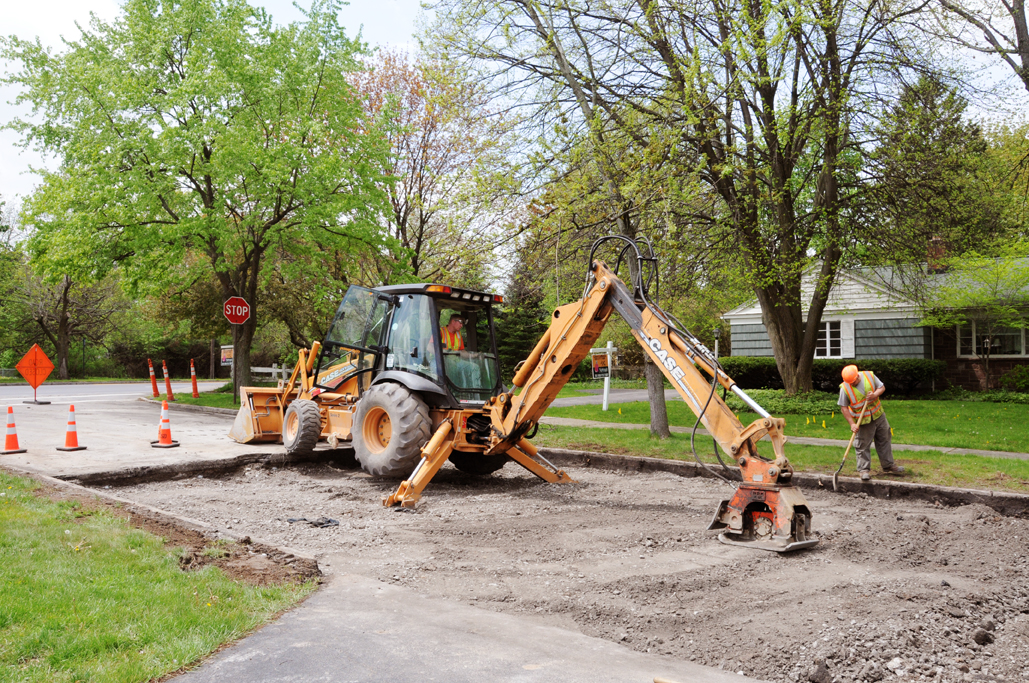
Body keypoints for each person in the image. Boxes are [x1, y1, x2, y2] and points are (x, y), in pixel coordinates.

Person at [838, 364, 905, 481]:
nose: (851, 384)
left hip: (878, 415)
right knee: (862, 445)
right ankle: (863, 470)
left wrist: (874, 394)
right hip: (863, 421)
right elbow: (844, 408)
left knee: (884, 439)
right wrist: (852, 424)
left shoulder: (869, 376)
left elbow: (882, 387)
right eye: (849, 383)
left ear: (857, 376)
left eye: (853, 382)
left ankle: (888, 465)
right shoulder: (845, 388)